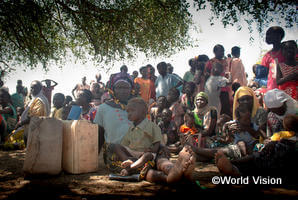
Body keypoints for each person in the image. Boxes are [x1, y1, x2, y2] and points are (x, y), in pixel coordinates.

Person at [215, 114, 297, 180]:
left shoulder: (282, 136)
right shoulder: (291, 138)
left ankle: (233, 165)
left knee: (256, 158)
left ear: (285, 126)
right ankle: (234, 167)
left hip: (276, 162)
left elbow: (271, 141)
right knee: (257, 159)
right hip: (280, 163)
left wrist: (270, 143)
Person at [113, 98, 162, 176]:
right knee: (115, 146)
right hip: (133, 153)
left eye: (132, 111)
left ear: (143, 112)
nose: (129, 113)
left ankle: (130, 168)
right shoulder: (131, 127)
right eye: (128, 111)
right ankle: (129, 162)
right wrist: (121, 153)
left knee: (148, 155)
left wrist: (152, 150)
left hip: (145, 154)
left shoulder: (152, 126)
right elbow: (124, 144)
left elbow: (157, 143)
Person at [93, 72, 134, 166]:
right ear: (113, 90)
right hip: (115, 153)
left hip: (136, 150)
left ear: (131, 90)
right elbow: (99, 134)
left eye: (126, 88)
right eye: (119, 88)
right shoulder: (103, 108)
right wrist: (94, 157)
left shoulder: (138, 107)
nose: (123, 91)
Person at [205, 45, 231, 117]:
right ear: (215, 52)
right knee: (214, 109)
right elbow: (206, 74)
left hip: (224, 90)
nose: (222, 53)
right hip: (214, 90)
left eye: (223, 51)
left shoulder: (225, 62)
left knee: (225, 109)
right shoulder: (210, 62)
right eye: (221, 51)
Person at [261, 26, 285, 90]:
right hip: (272, 90)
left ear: (279, 35)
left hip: (288, 88)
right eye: (267, 34)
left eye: (269, 34)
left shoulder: (289, 52)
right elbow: (263, 76)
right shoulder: (267, 56)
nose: (267, 37)